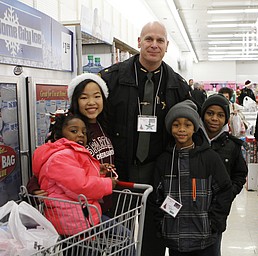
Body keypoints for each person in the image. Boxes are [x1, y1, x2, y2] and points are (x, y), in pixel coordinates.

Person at [98, 21, 191, 256]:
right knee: (118, 233)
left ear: (167, 46)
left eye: (160, 41)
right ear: (139, 42)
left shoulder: (177, 86)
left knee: (155, 234)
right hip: (119, 172)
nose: (154, 45)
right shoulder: (111, 79)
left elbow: (188, 131)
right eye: (148, 39)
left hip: (158, 171)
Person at [153, 100, 233, 256]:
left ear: (195, 128)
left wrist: (214, 223)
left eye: (187, 125)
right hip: (174, 236)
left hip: (205, 236)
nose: (181, 129)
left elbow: (224, 190)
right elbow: (156, 197)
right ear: (170, 128)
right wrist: (161, 224)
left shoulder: (209, 158)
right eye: (176, 125)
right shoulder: (164, 160)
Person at [27, 73, 116, 214]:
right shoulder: (69, 130)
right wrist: (33, 188)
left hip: (104, 203)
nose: (91, 102)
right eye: (84, 97)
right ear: (75, 100)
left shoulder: (104, 125)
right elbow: (48, 164)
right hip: (80, 210)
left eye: (97, 96)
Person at [32, 113, 118, 235]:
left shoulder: (73, 154)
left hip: (80, 217)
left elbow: (77, 179)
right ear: (58, 136)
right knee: (124, 237)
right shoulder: (60, 157)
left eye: (84, 132)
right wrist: (108, 184)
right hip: (73, 222)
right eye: (74, 131)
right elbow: (80, 187)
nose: (80, 135)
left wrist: (98, 171)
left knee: (122, 236)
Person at [199, 94, 248, 255]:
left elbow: (240, 174)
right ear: (202, 114)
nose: (214, 119)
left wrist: (229, 193)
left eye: (220, 115)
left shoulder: (232, 146)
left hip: (217, 210)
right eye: (210, 113)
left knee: (212, 248)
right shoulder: (193, 141)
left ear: (226, 119)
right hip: (191, 208)